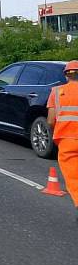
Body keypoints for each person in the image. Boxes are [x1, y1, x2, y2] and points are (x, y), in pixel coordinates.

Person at [48, 60, 78, 223]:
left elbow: (51, 120)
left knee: (74, 178)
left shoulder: (57, 92)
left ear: (66, 75)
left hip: (67, 141)